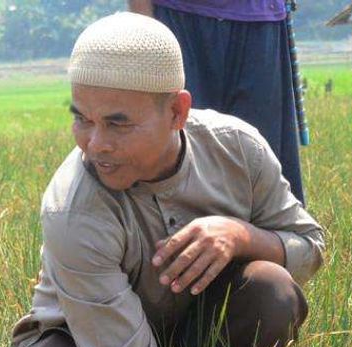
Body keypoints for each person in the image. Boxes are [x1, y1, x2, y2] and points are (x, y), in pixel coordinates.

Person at [0, 13, 324, 347]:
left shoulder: (237, 149)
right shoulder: (73, 207)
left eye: (118, 122)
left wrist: (240, 236)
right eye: (82, 118)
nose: (95, 143)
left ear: (177, 112)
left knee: (271, 291)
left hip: (193, 340)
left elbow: (310, 245)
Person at [128, 0, 306, 205]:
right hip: (176, 19)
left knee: (262, 164)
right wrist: (144, 27)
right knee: (178, 152)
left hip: (260, 19)